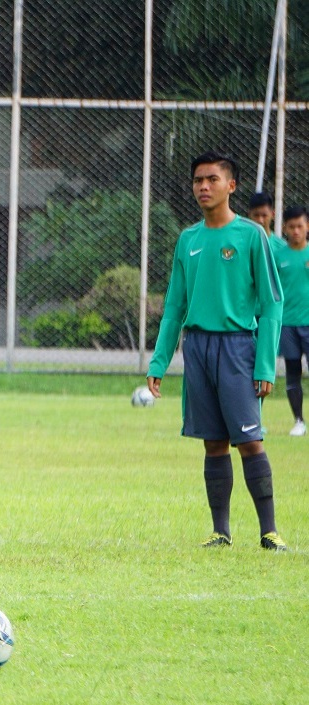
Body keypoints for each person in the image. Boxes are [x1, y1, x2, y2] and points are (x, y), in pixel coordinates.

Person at [147, 151, 287, 552]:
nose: (203, 186)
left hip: (238, 348)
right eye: (197, 180)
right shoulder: (187, 239)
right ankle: (220, 532)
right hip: (198, 347)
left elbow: (272, 303)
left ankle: (269, 531)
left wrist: (265, 365)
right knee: (213, 441)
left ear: (232, 185)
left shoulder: (250, 236)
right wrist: (159, 361)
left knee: (249, 439)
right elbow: (174, 306)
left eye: (211, 179)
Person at [274, 205, 309, 436]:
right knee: (293, 370)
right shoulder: (278, 256)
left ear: (307, 227)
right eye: (292, 227)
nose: (296, 231)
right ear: (285, 228)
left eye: (300, 226)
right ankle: (299, 421)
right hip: (287, 323)